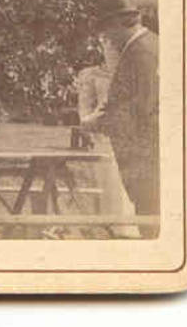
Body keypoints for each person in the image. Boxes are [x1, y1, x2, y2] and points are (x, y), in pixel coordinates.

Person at [87, 0, 160, 237]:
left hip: (146, 160)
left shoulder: (141, 53)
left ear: (119, 23)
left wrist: (99, 122)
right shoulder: (150, 44)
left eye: (106, 29)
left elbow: (141, 109)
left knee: (151, 226)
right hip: (148, 158)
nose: (106, 37)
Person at [75, 55, 141, 239]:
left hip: (130, 137)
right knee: (106, 182)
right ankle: (106, 226)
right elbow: (84, 109)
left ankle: (129, 227)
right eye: (106, 43)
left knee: (127, 182)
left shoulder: (134, 70)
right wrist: (90, 126)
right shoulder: (92, 75)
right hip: (103, 138)